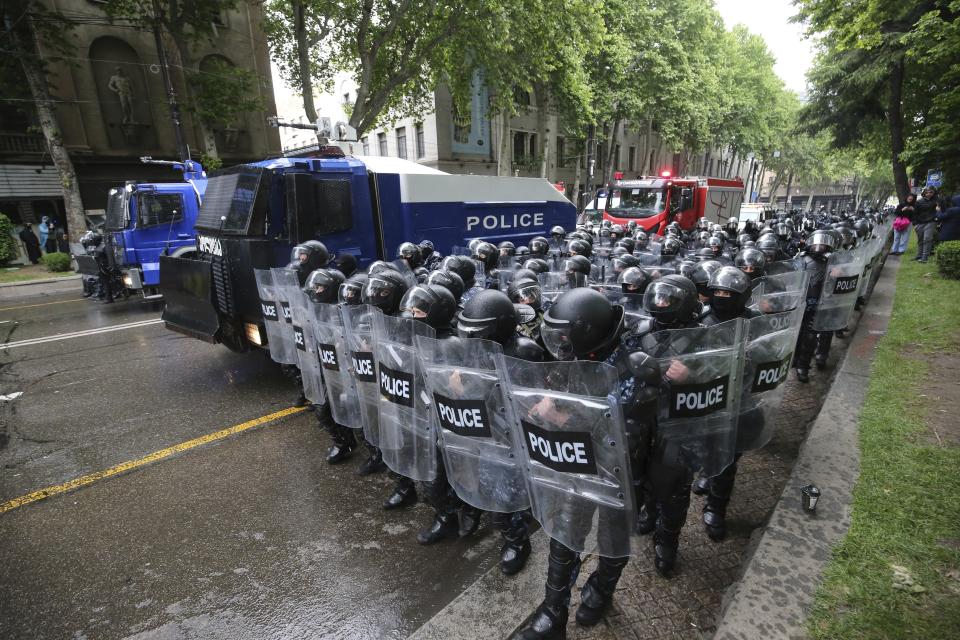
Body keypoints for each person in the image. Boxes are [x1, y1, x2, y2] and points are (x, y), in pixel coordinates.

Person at [913, 187, 940, 263]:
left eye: (931, 192)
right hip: (920, 223)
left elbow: (940, 208)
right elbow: (915, 214)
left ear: (933, 193)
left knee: (927, 239)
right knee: (920, 240)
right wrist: (915, 224)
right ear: (924, 193)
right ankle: (919, 255)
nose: (929, 194)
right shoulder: (919, 202)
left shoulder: (936, 201)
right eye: (927, 192)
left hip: (930, 222)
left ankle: (924, 257)